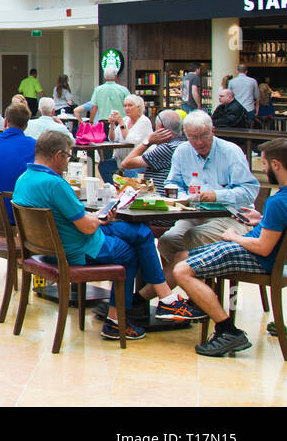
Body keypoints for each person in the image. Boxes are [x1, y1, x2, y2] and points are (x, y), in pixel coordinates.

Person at [12, 131, 180, 341]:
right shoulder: (55, 184)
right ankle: (120, 319)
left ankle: (161, 299)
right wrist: (95, 219)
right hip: (76, 249)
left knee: (139, 232)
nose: (67, 163)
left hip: (48, 248)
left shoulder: (24, 178)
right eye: (68, 157)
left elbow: (76, 219)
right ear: (57, 155)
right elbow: (88, 228)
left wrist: (95, 218)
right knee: (130, 250)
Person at [173, 139, 287, 357]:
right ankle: (145, 301)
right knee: (181, 256)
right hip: (262, 252)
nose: (262, 170)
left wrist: (235, 237)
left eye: (263, 165)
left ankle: (228, 331)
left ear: (276, 165)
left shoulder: (278, 201)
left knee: (182, 270)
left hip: (258, 257)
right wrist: (262, 220)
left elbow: (263, 247)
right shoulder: (281, 201)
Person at [158, 110, 260, 290]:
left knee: (193, 237)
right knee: (167, 240)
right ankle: (178, 296)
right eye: (192, 137)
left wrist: (217, 195)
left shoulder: (231, 152)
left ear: (213, 130)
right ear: (185, 135)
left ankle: (199, 298)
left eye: (203, 136)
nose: (198, 142)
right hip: (195, 213)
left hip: (232, 216)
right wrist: (183, 197)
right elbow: (172, 183)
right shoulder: (182, 151)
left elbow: (249, 191)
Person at [119, 109, 184, 187]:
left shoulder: (167, 148)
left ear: (160, 128)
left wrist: (148, 141)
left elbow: (126, 163)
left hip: (160, 195)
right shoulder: (182, 145)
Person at [102, 94, 152, 183]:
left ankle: (131, 191)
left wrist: (121, 123)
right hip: (122, 159)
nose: (127, 108)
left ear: (138, 107)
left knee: (129, 168)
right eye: (125, 106)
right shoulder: (126, 120)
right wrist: (112, 124)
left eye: (130, 105)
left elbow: (131, 140)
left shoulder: (144, 122)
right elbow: (113, 138)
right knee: (103, 166)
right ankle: (113, 189)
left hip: (141, 160)